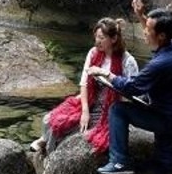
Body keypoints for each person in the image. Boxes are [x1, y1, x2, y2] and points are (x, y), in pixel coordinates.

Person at [96, 0, 172, 174]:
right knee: (163, 167)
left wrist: (106, 74)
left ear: (162, 36)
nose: (144, 32)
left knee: (117, 110)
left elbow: (132, 86)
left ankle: (119, 162)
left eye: (147, 29)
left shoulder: (162, 63)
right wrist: (141, 15)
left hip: (169, 120)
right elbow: (156, 34)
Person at [30, 17, 139, 156]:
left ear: (113, 39)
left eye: (101, 38)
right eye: (96, 37)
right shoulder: (93, 53)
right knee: (51, 119)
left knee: (77, 132)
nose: (97, 41)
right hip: (91, 101)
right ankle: (44, 141)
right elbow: (84, 83)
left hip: (111, 108)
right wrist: (85, 112)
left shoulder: (127, 61)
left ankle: (48, 150)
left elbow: (133, 92)